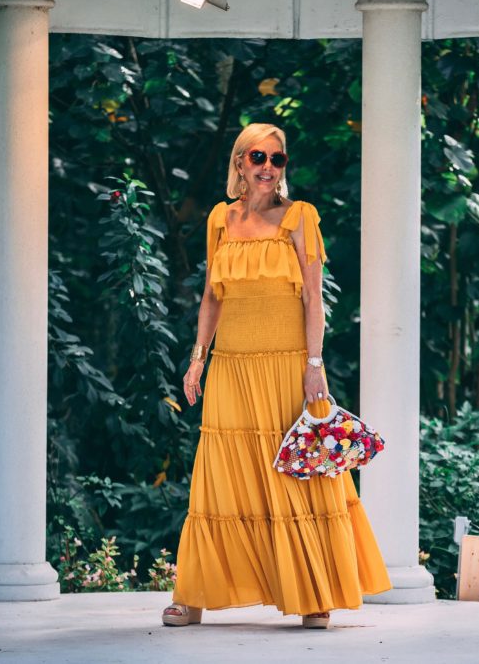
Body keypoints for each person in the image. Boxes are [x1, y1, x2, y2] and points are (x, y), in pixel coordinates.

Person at [161, 123, 392, 629]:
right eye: (258, 158)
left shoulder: (300, 218)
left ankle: (313, 594)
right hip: (231, 368)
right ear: (240, 164)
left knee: (297, 475)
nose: (268, 168)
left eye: (278, 159)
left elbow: (315, 299)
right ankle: (195, 594)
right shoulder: (220, 220)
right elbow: (211, 296)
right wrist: (198, 357)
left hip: (288, 367)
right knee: (220, 482)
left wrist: (315, 365)